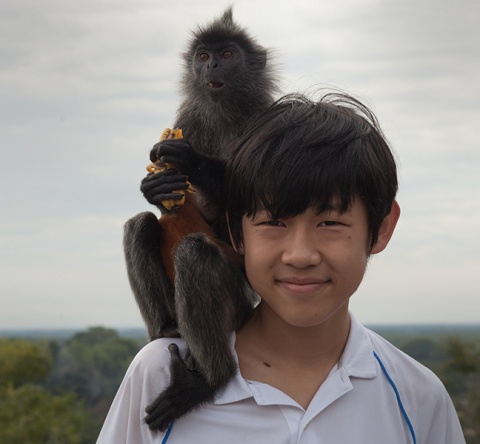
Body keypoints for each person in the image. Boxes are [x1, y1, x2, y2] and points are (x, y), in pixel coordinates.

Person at [97, 92, 465, 443]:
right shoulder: (158, 373)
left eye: (330, 223)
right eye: (274, 223)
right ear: (236, 231)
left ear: (381, 228)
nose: (300, 255)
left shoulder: (418, 397)